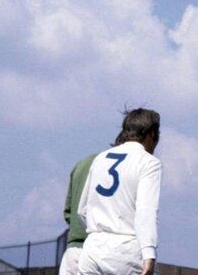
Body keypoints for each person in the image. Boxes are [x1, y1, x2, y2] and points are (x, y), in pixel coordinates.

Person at [77, 108, 163, 275]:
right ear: (152, 134)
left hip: (92, 250)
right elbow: (146, 212)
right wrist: (149, 253)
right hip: (126, 251)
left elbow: (82, 210)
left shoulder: (100, 158)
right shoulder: (149, 163)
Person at [59, 152, 98, 275]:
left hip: (73, 250)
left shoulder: (80, 165)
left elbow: (68, 212)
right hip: (99, 251)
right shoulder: (114, 166)